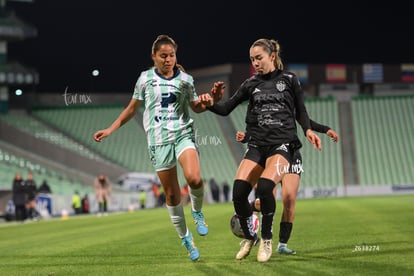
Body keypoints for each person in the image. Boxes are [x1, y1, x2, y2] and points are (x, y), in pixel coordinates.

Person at [92, 35, 219, 261]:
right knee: (171, 194)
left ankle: (198, 212)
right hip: (158, 142)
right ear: (154, 57)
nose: (168, 59)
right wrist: (110, 129)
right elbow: (132, 109)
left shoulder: (186, 80)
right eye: (163, 56)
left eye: (172, 55)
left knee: (195, 178)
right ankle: (186, 238)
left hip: (183, 134)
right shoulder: (145, 79)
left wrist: (211, 101)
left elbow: (196, 107)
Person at [206, 38, 322, 262]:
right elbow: (225, 109)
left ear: (271, 56)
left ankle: (267, 240)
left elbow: (301, 111)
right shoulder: (250, 84)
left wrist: (308, 130)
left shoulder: (289, 79)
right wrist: (210, 101)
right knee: (238, 193)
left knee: (266, 187)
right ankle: (251, 237)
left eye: (259, 58)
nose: (255, 63)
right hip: (257, 145)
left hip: (282, 144)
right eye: (252, 60)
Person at [236, 122, 339, 255]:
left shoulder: (290, 103)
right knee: (265, 199)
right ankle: (251, 215)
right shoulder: (266, 105)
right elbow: (261, 126)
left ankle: (282, 245)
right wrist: (247, 137)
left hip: (291, 153)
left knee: (289, 200)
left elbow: (305, 120)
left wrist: (326, 129)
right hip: (270, 153)